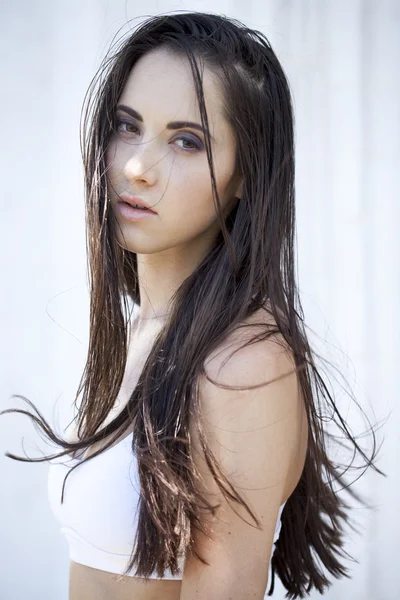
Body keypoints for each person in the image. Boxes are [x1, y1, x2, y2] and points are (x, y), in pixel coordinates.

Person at [1, 11, 384, 600]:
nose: (134, 168)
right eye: (126, 126)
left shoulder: (243, 363)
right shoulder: (146, 328)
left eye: (187, 141)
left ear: (243, 178)